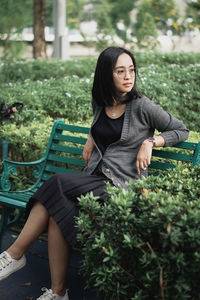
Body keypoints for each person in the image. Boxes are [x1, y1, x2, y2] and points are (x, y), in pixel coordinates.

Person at [0, 47, 189, 300]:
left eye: (131, 70)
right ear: (106, 75)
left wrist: (151, 142)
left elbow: (181, 130)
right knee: (58, 210)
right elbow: (103, 126)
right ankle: (58, 293)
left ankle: (15, 254)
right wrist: (91, 136)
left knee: (56, 183)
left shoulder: (142, 106)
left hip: (120, 187)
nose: (127, 76)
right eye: (120, 71)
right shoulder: (100, 102)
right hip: (96, 179)